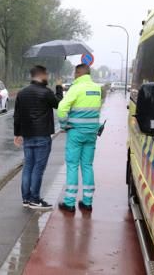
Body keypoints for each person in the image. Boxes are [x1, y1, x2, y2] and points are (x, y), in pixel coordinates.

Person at [14, 65, 63, 210]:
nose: (48, 77)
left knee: (28, 166)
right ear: (41, 75)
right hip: (42, 136)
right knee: (38, 169)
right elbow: (59, 104)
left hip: (28, 136)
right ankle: (35, 199)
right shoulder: (46, 92)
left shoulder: (22, 93)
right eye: (46, 74)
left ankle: (26, 199)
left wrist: (17, 133)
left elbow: (17, 115)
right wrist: (59, 88)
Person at [57, 64, 102, 212]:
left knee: (72, 165)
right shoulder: (97, 89)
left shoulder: (75, 88)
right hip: (91, 133)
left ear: (77, 74)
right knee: (87, 165)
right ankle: (87, 201)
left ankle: (70, 202)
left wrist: (63, 125)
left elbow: (62, 108)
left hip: (76, 133)